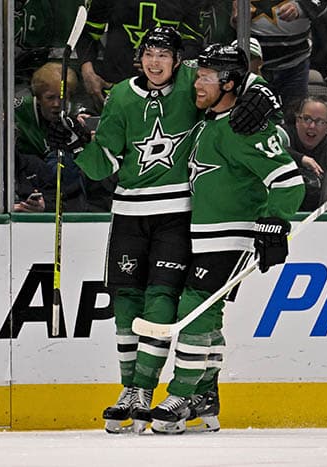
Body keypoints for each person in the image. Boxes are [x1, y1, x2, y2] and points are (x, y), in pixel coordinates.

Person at [49, 26, 280, 434]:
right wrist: (76, 145)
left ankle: (145, 388)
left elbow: (234, 74)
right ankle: (130, 390)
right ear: (140, 57)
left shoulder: (194, 80)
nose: (155, 62)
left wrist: (263, 92)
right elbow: (104, 161)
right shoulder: (120, 95)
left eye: (164, 54)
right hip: (128, 213)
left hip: (178, 212)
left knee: (164, 301)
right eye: (149, 53)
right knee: (125, 303)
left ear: (177, 60)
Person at [149, 44, 304, 434]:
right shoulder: (211, 121)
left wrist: (274, 223)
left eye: (206, 78)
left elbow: (288, 180)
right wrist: (261, 86)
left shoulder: (243, 127)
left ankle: (182, 392)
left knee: (195, 307)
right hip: (204, 233)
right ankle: (205, 396)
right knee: (208, 312)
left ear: (230, 83)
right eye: (198, 75)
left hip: (232, 234)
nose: (197, 84)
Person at [75, 0, 205, 112]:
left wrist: (166, 64)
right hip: (114, 87)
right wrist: (87, 71)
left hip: (167, 93)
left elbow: (193, 42)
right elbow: (88, 33)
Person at [15, 62, 93, 212]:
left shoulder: (77, 114)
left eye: (63, 98)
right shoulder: (18, 112)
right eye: (50, 98)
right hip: (29, 181)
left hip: (62, 189)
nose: (57, 104)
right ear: (37, 97)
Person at [231, 0, 327, 115]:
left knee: (293, 119)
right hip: (252, 64)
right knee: (250, 117)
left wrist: (301, 7)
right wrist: (235, 16)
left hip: (294, 66)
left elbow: (324, 4)